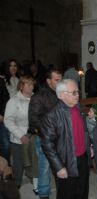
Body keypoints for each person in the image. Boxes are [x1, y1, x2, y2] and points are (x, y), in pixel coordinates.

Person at [41, 79, 90, 199]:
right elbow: (47, 144)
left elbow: (83, 130)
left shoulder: (78, 107)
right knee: (67, 194)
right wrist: (59, 167)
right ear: (62, 94)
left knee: (82, 191)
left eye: (78, 92)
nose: (78, 95)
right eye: (74, 92)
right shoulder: (52, 115)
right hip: (66, 160)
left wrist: (89, 146)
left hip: (83, 157)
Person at [28, 68, 62, 199]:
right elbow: (34, 119)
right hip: (45, 138)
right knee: (45, 167)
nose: (60, 82)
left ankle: (62, 191)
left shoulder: (61, 94)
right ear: (49, 81)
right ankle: (43, 194)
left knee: (61, 166)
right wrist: (48, 134)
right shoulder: (39, 97)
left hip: (60, 138)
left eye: (61, 79)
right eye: (57, 80)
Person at [4, 76, 35, 188]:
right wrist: (20, 135)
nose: (31, 87)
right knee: (19, 162)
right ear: (21, 86)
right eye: (28, 84)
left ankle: (34, 179)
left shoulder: (35, 98)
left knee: (33, 160)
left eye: (32, 84)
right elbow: (8, 121)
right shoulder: (13, 101)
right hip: (19, 137)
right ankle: (16, 183)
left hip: (34, 135)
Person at [0, 73, 10, 163]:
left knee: (6, 145)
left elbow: (6, 98)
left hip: (1, 118)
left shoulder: (1, 81)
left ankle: (5, 167)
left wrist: (2, 114)